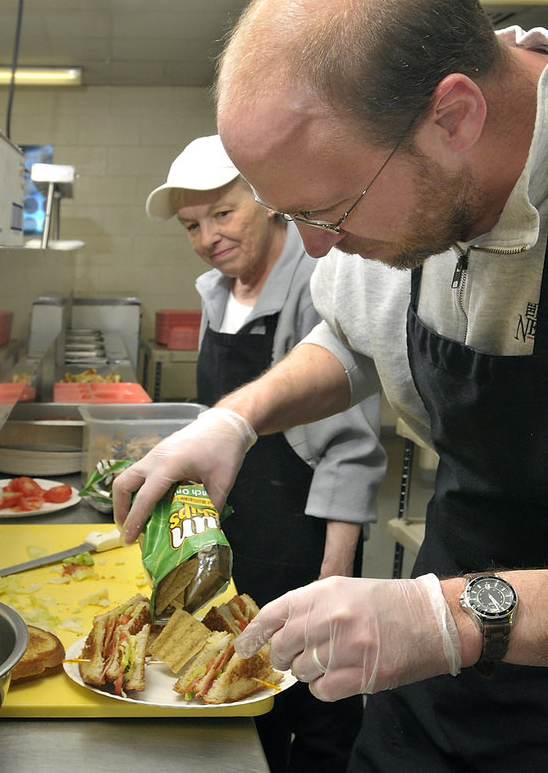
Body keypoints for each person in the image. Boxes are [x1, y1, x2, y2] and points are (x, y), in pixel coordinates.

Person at [115, 0, 548, 772]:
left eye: (331, 209)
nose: (316, 251)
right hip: (435, 703)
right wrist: (239, 418)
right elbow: (351, 336)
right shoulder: (391, 182)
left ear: (453, 115)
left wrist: (452, 619)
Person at [143, 134, 386, 772]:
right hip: (233, 542)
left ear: (268, 201)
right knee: (246, 696)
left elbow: (352, 449)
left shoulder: (318, 286)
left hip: (308, 541)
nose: (207, 237)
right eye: (192, 225)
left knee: (321, 705)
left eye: (223, 214)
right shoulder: (215, 293)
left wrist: (333, 579)